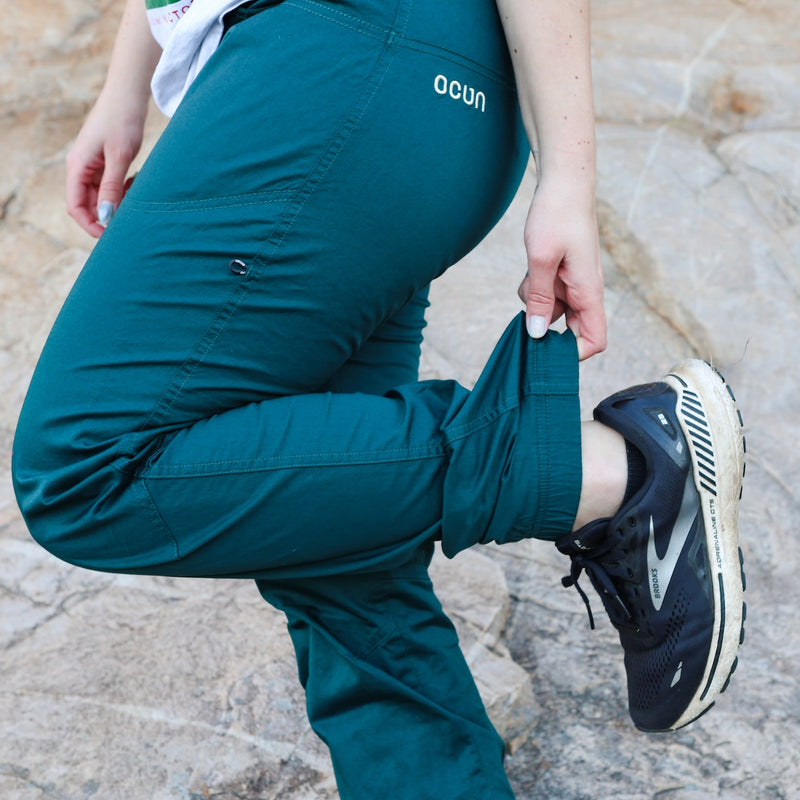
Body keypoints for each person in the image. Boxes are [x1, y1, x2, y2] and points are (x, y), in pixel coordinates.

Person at [11, 0, 746, 796]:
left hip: (346, 62)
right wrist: (131, 79)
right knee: (333, 543)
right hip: (382, 85)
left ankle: (620, 474)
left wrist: (571, 176)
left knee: (85, 469)